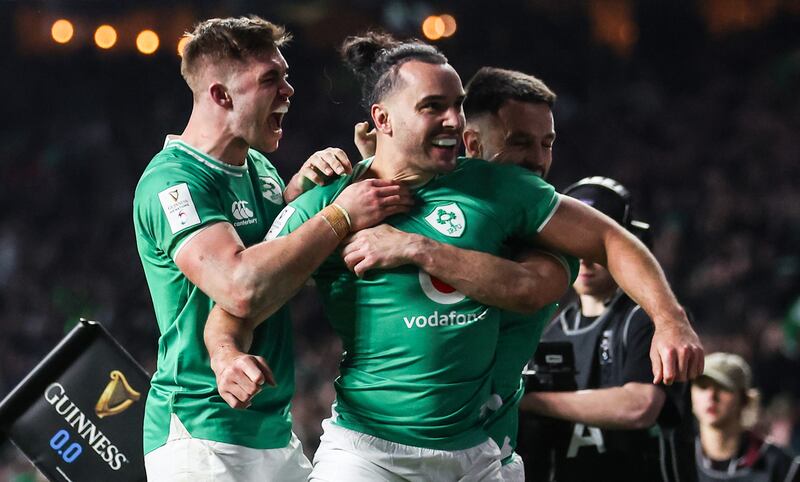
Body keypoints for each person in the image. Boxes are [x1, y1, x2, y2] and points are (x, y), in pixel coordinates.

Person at [205, 32, 702, 480]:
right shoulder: (331, 204)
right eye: (432, 107)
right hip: (368, 452)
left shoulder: (503, 190)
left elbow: (609, 240)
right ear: (382, 120)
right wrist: (227, 356)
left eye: (458, 105)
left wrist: (670, 320)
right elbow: (240, 299)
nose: (453, 121)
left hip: (481, 455)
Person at [133, 17, 414, 482]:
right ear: (222, 96)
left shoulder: (258, 169)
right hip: (202, 435)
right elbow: (240, 286)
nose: (289, 90)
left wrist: (310, 191)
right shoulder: (173, 181)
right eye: (271, 79)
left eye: (285, 75)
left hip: (270, 430)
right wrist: (338, 214)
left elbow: (284, 257)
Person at [519, 177, 697, 482]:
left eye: (596, 245)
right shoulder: (550, 330)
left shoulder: (650, 319)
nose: (585, 259)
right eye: (574, 243)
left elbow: (640, 406)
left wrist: (528, 400)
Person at [693, 352, 800, 481]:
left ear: (744, 400)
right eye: (703, 386)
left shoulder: (781, 466)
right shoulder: (675, 457)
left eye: (723, 387)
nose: (711, 396)